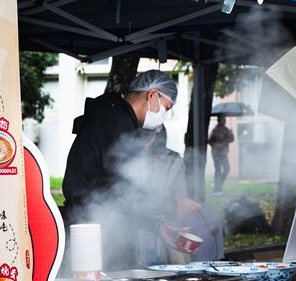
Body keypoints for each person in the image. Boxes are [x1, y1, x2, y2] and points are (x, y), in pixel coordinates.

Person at [62, 70, 198, 270]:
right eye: (166, 108)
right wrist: (171, 205)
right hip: (92, 230)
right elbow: (125, 188)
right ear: (152, 94)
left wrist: (157, 226)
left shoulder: (111, 115)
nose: (164, 116)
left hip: (91, 224)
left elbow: (118, 190)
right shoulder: (118, 122)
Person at [207, 115, 234, 195]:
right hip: (216, 154)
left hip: (224, 153)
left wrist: (231, 133)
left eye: (224, 119)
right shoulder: (215, 130)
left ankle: (218, 184)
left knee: (226, 169)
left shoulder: (226, 130)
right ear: (219, 120)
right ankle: (217, 189)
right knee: (218, 171)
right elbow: (210, 141)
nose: (225, 121)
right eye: (223, 119)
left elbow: (231, 140)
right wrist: (217, 145)